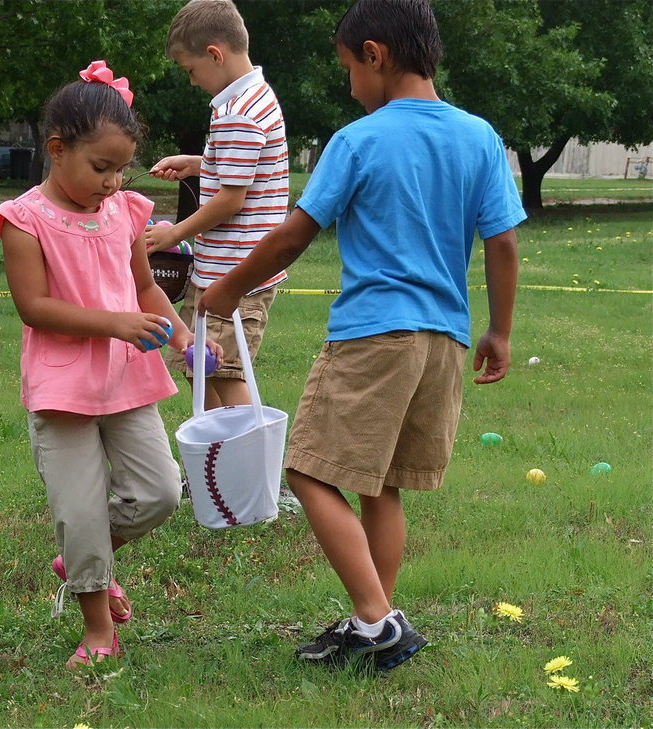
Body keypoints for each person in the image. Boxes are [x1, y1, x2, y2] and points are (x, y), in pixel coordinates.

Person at [198, 0, 525, 672]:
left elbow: (294, 232)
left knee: (308, 468)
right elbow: (504, 244)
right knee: (383, 484)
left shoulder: (359, 139)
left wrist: (229, 285)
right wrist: (500, 329)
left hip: (374, 334)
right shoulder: (480, 137)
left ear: (376, 55)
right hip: (445, 342)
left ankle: (377, 621)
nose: (349, 85)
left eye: (349, 69)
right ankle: (372, 617)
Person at [0, 61, 220, 669]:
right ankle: (97, 627)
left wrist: (182, 341)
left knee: (161, 492)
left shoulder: (125, 214)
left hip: (127, 382)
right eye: (101, 168)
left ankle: (89, 553)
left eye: (122, 168)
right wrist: (116, 324)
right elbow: (35, 308)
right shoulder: (24, 220)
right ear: (56, 149)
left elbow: (145, 291)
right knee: (80, 508)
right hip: (62, 389)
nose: (114, 182)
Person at [144, 0, 289, 411]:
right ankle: (214, 466)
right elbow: (244, 170)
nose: (192, 81)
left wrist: (173, 233)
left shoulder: (235, 113)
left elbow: (231, 198)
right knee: (199, 366)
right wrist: (197, 164)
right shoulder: (256, 97)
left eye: (191, 70)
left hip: (234, 274)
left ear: (214, 54)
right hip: (229, 269)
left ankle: (245, 468)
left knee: (223, 373)